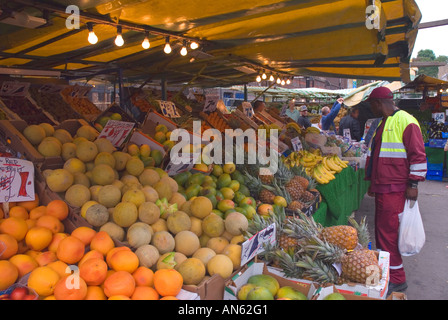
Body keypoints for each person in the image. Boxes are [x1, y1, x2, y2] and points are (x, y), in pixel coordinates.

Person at [364, 86, 427, 295]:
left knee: (388, 234)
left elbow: (418, 155)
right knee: (383, 234)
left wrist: (414, 184)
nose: (371, 109)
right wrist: (374, 183)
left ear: (378, 103)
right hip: (385, 186)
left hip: (395, 188)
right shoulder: (384, 121)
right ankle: (387, 275)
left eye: (371, 105)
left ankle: (397, 279)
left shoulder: (405, 121)